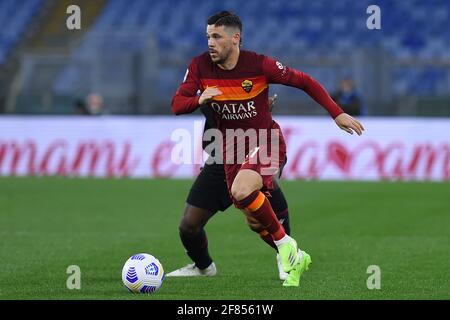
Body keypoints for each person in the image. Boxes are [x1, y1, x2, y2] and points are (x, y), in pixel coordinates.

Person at [171, 11, 364, 287]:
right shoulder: (200, 66)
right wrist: (200, 97)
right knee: (198, 224)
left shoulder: (258, 65)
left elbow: (304, 81)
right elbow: (177, 105)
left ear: (235, 38)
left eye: (216, 37)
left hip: (264, 141)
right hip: (225, 152)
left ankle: (285, 250)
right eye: (208, 37)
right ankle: (216, 265)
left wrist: (337, 113)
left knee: (246, 190)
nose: (210, 43)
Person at [167, 94, 296, 281]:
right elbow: (185, 101)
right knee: (188, 226)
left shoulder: (244, 69)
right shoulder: (202, 74)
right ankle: (204, 267)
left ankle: (287, 255)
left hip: (255, 144)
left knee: (257, 216)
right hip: (221, 157)